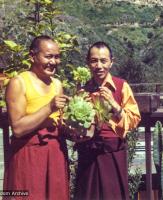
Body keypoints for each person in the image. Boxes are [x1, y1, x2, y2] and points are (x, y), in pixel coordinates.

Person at [3, 35, 69, 200]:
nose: (53, 62)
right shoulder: (19, 83)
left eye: (56, 57)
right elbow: (17, 128)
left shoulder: (57, 85)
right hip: (28, 155)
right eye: (48, 56)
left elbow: (59, 121)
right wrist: (49, 107)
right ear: (32, 56)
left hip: (55, 153)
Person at [74, 41, 141, 200]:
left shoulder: (121, 86)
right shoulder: (83, 91)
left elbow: (134, 119)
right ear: (87, 63)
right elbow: (75, 124)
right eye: (94, 60)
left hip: (113, 153)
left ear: (111, 62)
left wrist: (114, 104)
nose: (99, 66)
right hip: (88, 154)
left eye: (103, 61)